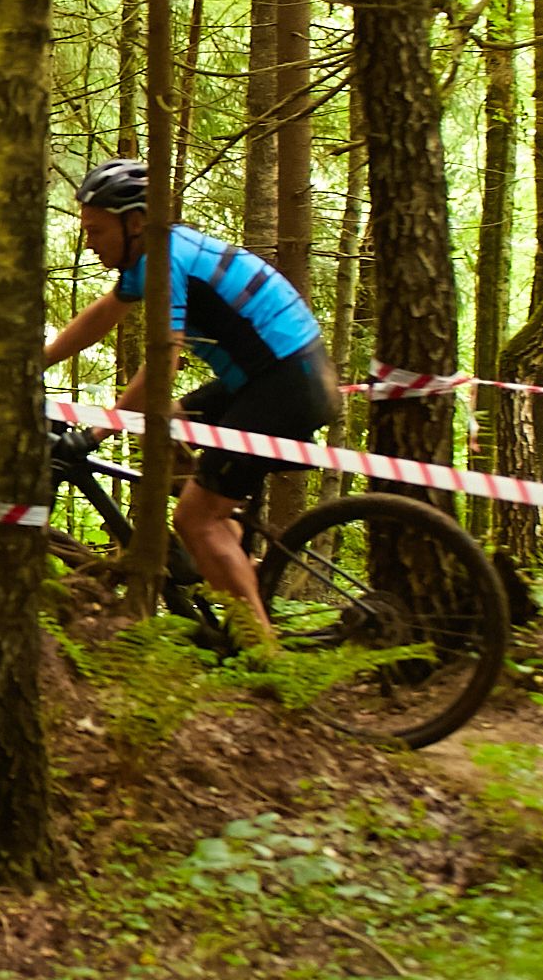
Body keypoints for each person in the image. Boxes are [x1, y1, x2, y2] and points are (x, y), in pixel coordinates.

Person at [42, 157, 335, 636]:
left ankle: (260, 649)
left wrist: (95, 433)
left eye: (96, 231)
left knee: (195, 518)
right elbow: (104, 314)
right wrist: (41, 360)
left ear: (135, 223)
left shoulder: (166, 262)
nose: (89, 243)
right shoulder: (156, 254)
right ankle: (231, 557)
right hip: (276, 376)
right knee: (172, 424)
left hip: (286, 385)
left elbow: (163, 364)